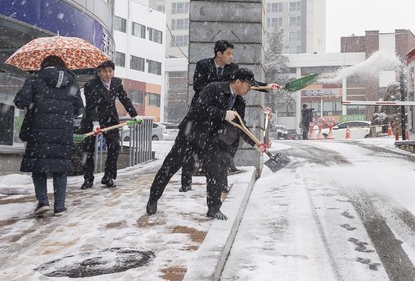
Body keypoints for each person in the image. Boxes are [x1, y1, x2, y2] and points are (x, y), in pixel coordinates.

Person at [146, 68, 267, 219]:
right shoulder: (213, 88)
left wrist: (256, 144)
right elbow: (199, 108)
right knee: (169, 167)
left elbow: (240, 125)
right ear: (237, 82)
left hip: (210, 139)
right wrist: (223, 114)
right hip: (190, 135)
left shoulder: (239, 101)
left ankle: (214, 208)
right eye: (248, 85)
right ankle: (153, 199)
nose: (250, 88)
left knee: (214, 172)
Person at [180, 40, 279, 192]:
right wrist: (220, 88)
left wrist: (267, 87)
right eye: (228, 53)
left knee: (222, 146)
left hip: (224, 111)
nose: (231, 57)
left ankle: (222, 183)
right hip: (203, 111)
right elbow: (198, 87)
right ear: (218, 54)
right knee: (191, 147)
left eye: (232, 53)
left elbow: (245, 83)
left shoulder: (233, 69)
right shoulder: (203, 65)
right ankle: (186, 185)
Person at [14, 55, 84, 215]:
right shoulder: (72, 83)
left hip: (38, 129)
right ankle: (59, 205)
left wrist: (33, 101)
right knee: (60, 167)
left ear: (44, 65)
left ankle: (43, 202)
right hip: (63, 132)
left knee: (39, 167)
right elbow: (79, 109)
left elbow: (20, 101)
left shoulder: (34, 80)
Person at [80, 60, 140, 189]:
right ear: (99, 72)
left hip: (110, 120)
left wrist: (134, 114)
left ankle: (108, 176)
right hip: (92, 120)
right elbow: (91, 107)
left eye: (110, 71)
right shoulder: (90, 85)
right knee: (88, 151)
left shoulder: (117, 83)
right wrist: (95, 124)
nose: (108, 74)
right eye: (105, 71)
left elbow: (124, 99)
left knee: (114, 148)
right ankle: (88, 179)